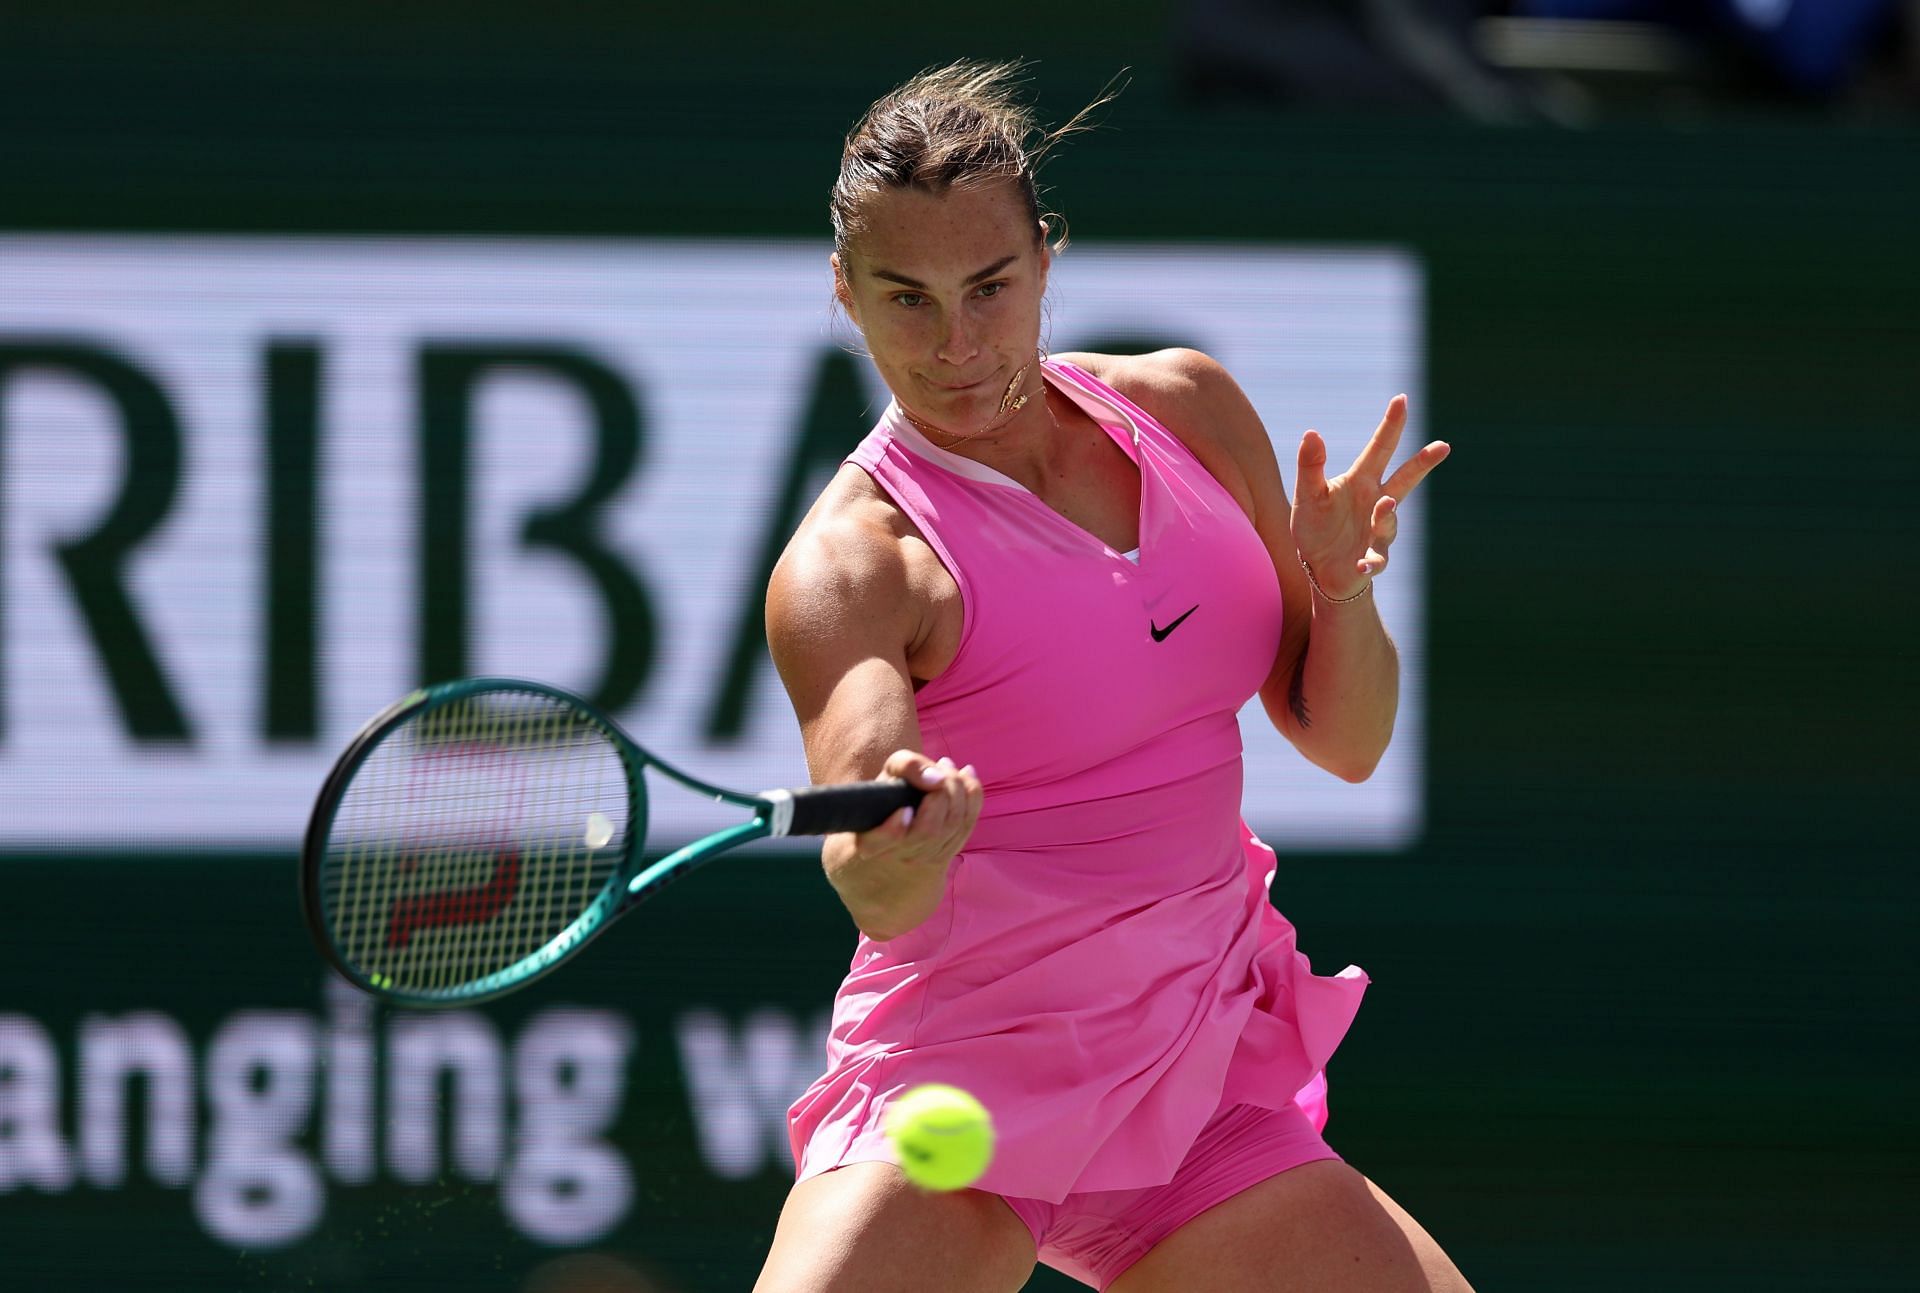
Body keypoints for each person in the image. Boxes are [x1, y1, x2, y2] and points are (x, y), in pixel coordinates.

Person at [755, 61, 1468, 1293]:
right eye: (905, 299)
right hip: (963, 1080)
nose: (958, 343)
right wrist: (898, 847)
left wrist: (1343, 592)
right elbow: (872, 877)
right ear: (844, 294)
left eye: (991, 286)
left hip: (1199, 1063)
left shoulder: (1187, 407)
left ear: (1047, 258)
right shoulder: (853, 564)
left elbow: (1344, 740)